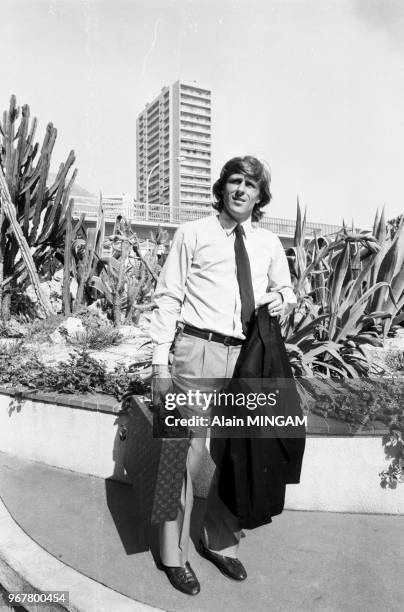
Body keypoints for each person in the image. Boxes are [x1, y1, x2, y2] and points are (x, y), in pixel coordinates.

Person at [150, 155, 296, 595]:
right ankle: (171, 554)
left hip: (248, 358)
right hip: (196, 351)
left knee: (238, 454)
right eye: (235, 181)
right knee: (179, 453)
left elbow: (286, 290)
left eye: (250, 185)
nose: (241, 191)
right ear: (222, 187)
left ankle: (220, 541)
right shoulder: (192, 233)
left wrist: (282, 299)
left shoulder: (269, 242)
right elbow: (167, 296)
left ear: (260, 196)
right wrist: (159, 362)